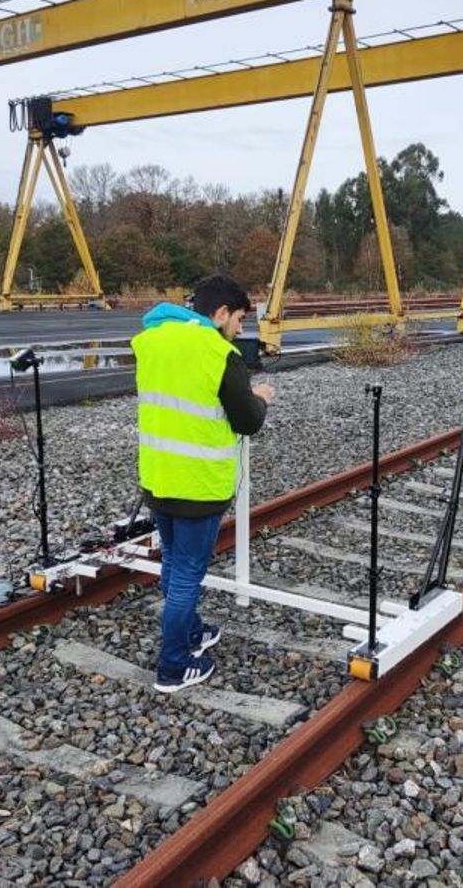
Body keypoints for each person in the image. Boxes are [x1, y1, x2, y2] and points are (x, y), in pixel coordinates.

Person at [131, 274, 274, 693]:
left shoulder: (151, 342)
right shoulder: (218, 352)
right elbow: (247, 420)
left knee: (174, 563)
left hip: (158, 476)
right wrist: (261, 396)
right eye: (239, 320)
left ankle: (191, 633)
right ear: (221, 313)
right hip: (199, 483)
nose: (240, 329)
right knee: (188, 573)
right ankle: (173, 666)